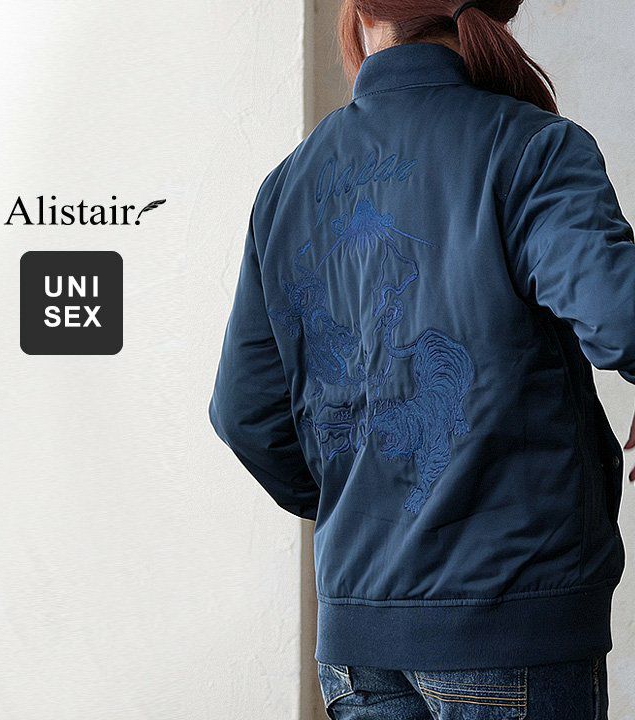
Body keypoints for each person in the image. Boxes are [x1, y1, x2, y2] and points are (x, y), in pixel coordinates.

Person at [209, 1, 634, 717]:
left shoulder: (287, 185)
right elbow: (620, 314)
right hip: (511, 618)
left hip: (359, 642)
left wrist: (370, 499)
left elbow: (245, 414)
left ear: (360, 13)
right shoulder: (532, 146)